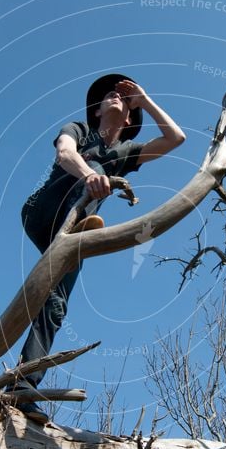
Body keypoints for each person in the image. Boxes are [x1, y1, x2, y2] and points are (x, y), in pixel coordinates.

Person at [16, 73, 185, 423]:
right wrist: (88, 175)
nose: (115, 96)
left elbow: (176, 138)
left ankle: (22, 388)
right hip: (43, 211)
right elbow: (64, 153)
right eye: (109, 94)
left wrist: (145, 100)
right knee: (92, 165)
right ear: (95, 113)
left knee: (56, 304)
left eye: (123, 98)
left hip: (74, 234)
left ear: (128, 117)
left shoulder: (126, 152)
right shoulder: (79, 129)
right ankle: (80, 227)